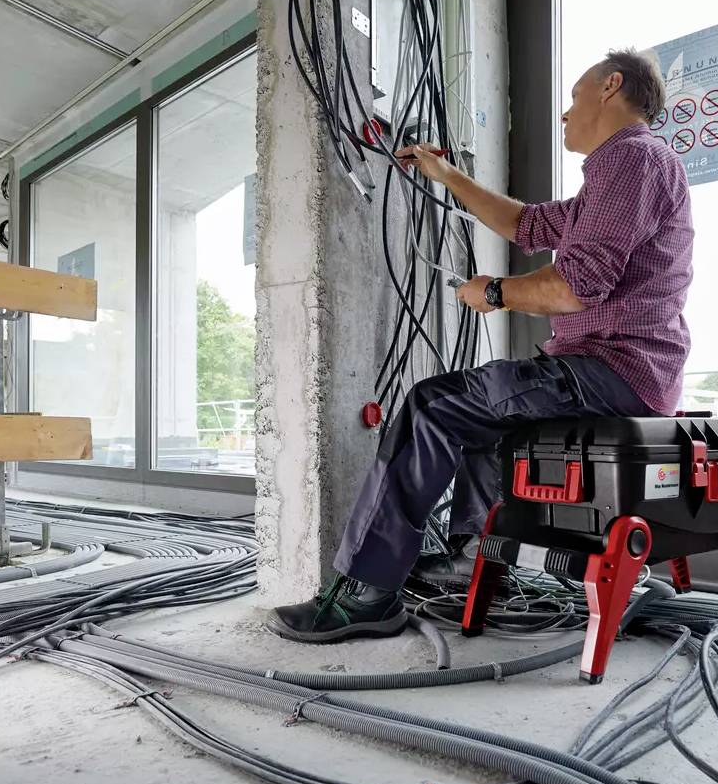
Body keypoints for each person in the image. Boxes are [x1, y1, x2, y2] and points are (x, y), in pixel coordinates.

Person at [267, 48, 695, 643]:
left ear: (611, 87)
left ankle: (367, 592)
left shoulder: (631, 159)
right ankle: (473, 556)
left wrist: (495, 291)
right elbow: (527, 225)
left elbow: (575, 286)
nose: (566, 113)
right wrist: (445, 175)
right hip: (615, 372)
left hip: (612, 370)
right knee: (483, 413)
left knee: (432, 406)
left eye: (574, 97)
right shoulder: (616, 177)